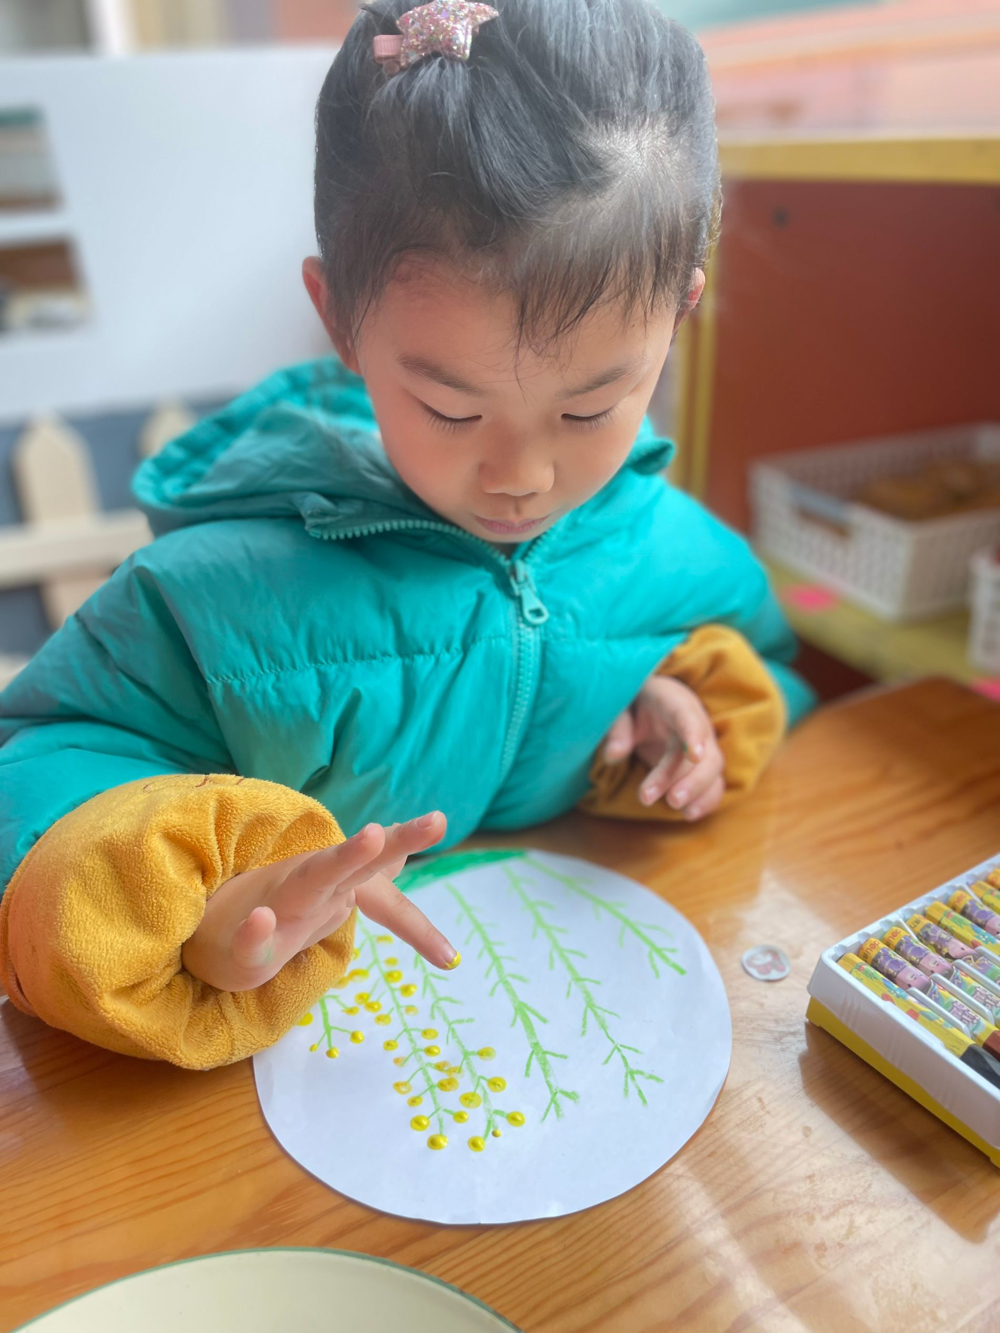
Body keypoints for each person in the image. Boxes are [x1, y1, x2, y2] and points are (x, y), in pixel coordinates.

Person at [0, 0, 813, 1069]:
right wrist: (190, 909)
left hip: (567, 1032)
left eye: (587, 409)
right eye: (449, 410)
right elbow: (40, 760)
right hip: (285, 1095)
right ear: (337, 316)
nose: (520, 476)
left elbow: (782, 672)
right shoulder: (212, 596)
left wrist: (686, 696)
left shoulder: (681, 553)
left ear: (677, 313)